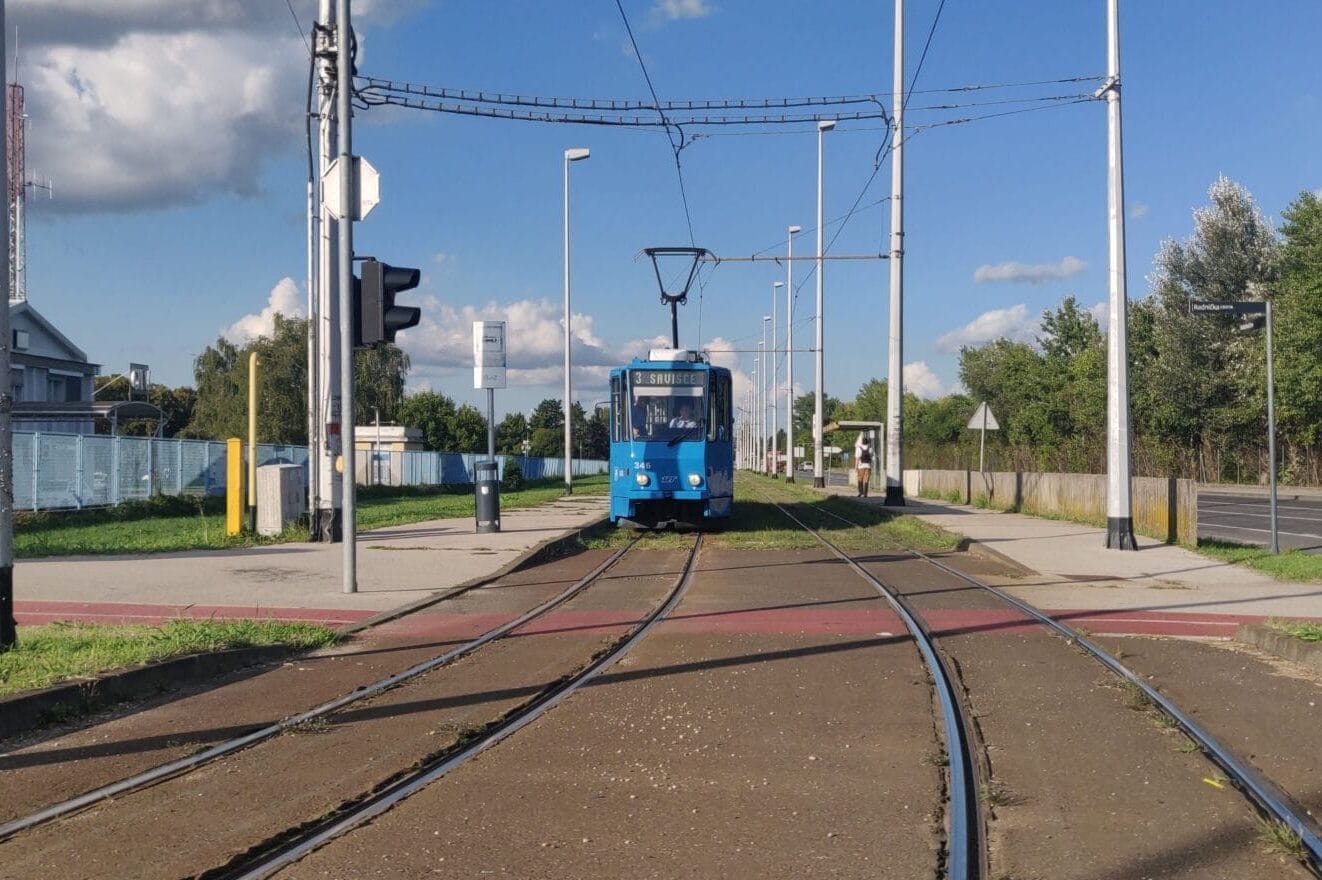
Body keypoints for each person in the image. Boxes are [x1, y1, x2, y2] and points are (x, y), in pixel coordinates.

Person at [854, 433, 873, 497]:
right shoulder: (870, 448)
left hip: (861, 466)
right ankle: (865, 494)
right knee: (866, 480)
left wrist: (856, 467)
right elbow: (871, 457)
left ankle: (860, 492)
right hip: (868, 466)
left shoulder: (859, 448)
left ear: (862, 442)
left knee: (860, 479)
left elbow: (857, 458)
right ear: (867, 442)